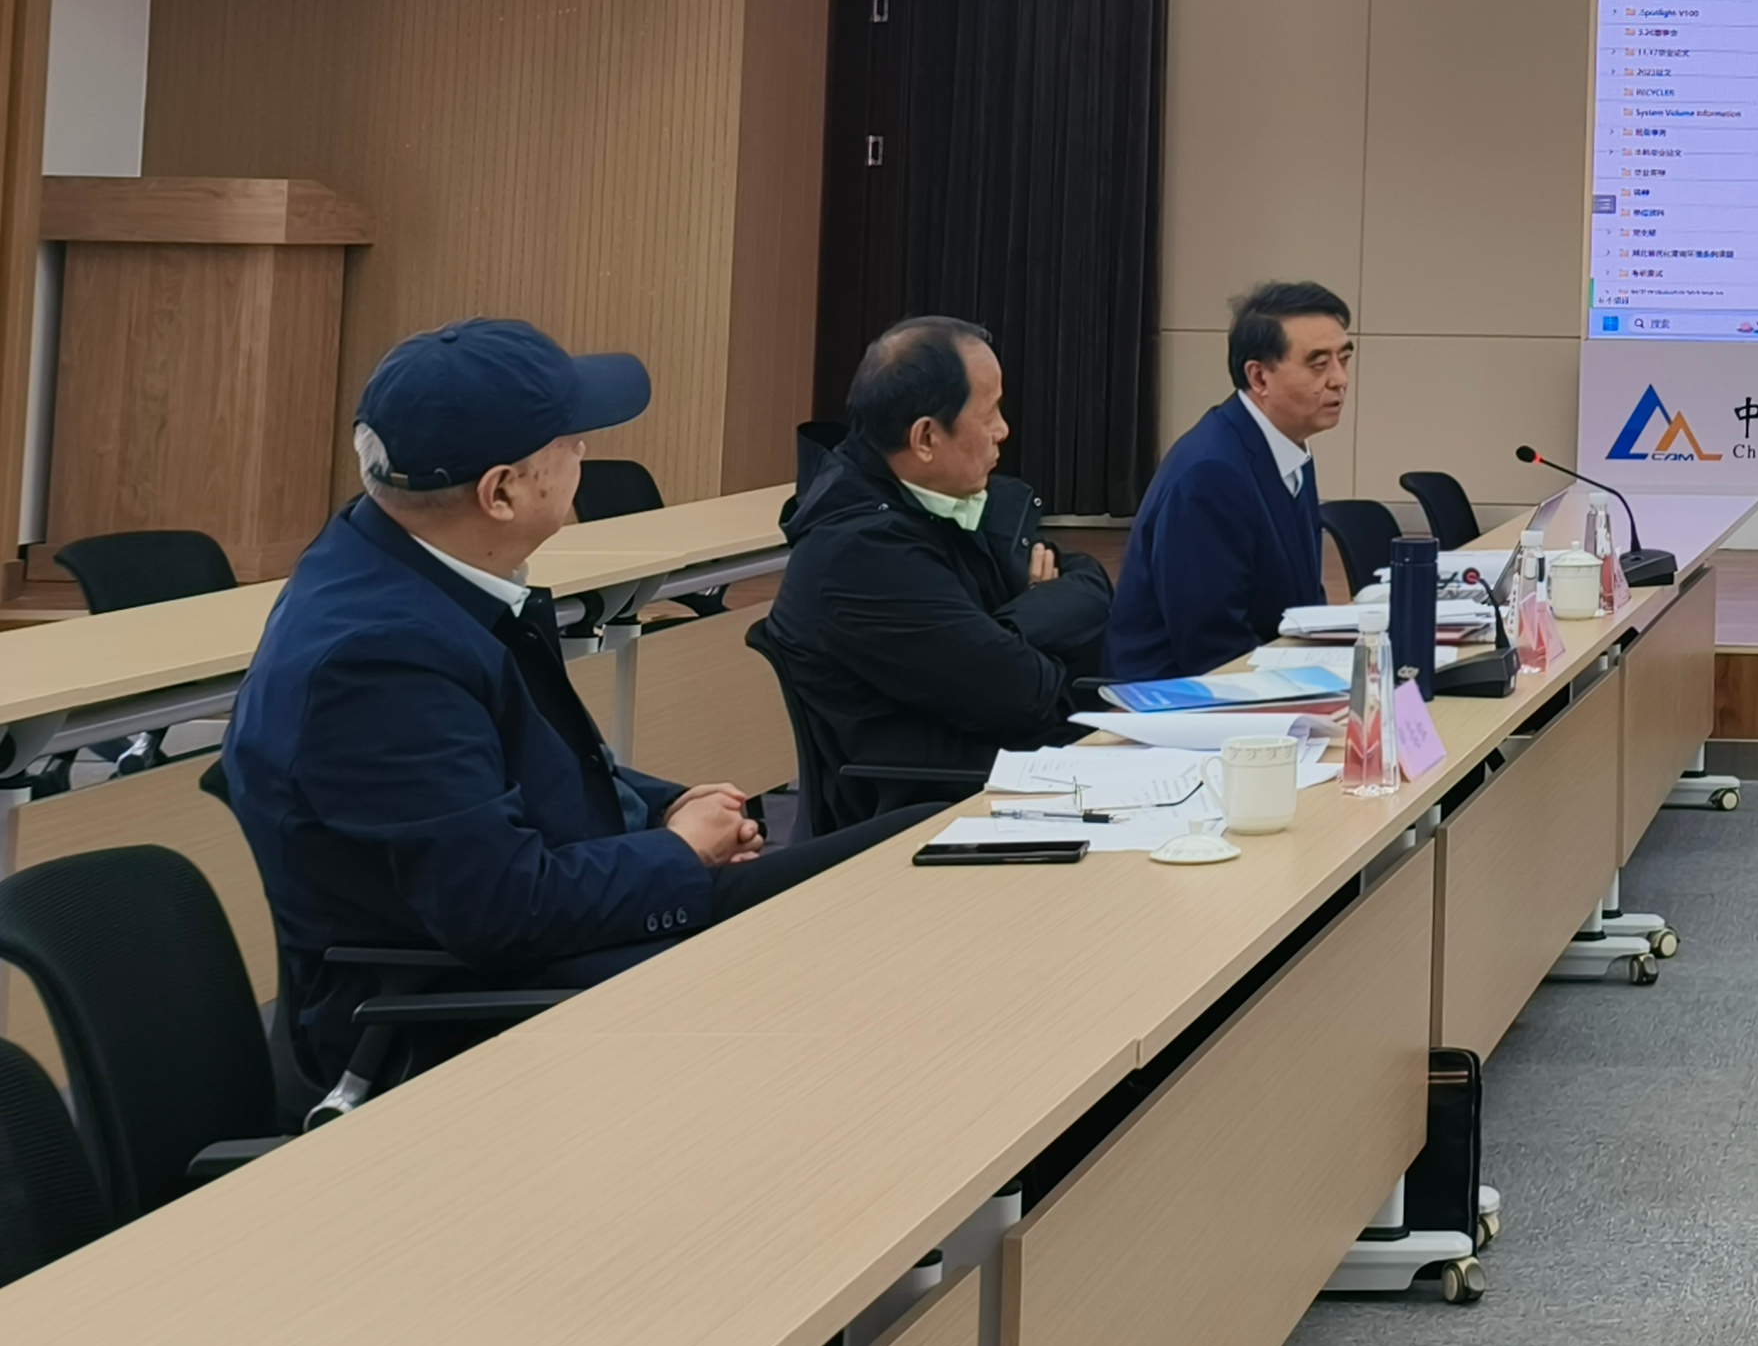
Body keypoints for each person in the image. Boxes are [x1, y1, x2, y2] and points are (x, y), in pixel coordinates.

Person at [220, 321, 927, 1090]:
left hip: (548, 938)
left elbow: (524, 762)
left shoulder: (409, 569)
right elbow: (499, 907)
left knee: (917, 845)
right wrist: (680, 852)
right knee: (882, 916)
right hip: (462, 1022)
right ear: (500, 492)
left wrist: (662, 806)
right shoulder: (377, 660)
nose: (585, 450)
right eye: (568, 440)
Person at [762, 316, 1115, 818]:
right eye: (989, 414)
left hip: (1017, 772)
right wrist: (1034, 612)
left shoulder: (949, 500)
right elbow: (1025, 694)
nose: (1003, 431)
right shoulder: (861, 556)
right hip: (935, 807)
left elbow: (1090, 583)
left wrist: (1006, 631)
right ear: (926, 438)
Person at [1109, 282, 1354, 681]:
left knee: (1400, 695)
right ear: (1259, 377)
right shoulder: (1211, 473)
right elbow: (1212, 647)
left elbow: (1303, 607)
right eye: (1318, 364)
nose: (1339, 379)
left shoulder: (1288, 445)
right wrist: (1322, 685)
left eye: (1343, 359)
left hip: (1268, 673)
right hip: (1182, 698)